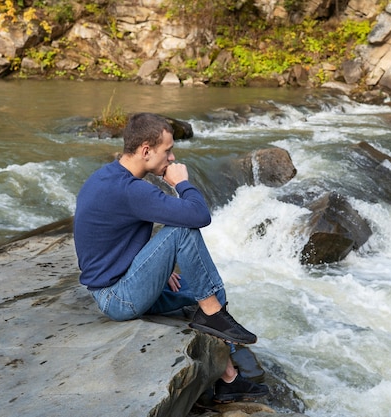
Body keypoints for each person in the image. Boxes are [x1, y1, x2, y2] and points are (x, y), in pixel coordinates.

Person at [74, 112, 269, 404]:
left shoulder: (110, 176)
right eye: (168, 150)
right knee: (181, 232)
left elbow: (111, 239)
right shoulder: (131, 190)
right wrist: (181, 184)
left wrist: (156, 268)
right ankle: (213, 317)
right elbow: (198, 216)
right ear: (146, 151)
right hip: (117, 297)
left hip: (126, 282)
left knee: (210, 292)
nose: (172, 157)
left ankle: (228, 380)